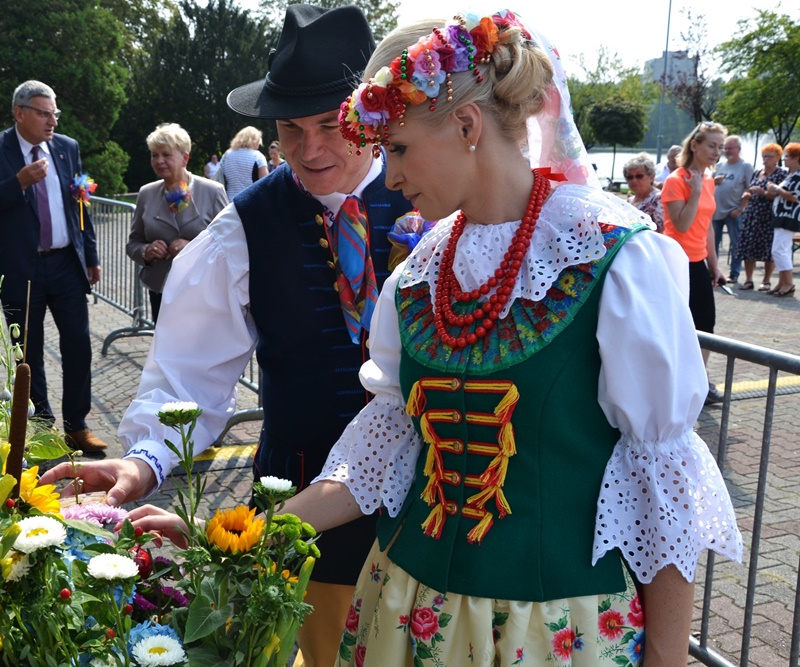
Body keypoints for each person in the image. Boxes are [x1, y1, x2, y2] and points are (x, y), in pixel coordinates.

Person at [127, 12, 743, 666]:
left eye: (396, 148)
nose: (387, 178)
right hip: (410, 617)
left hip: (557, 630)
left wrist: (668, 658)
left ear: (467, 126)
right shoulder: (419, 276)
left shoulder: (615, 260)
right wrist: (235, 536)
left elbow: (663, 488)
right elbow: (375, 462)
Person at [41, 6, 414, 665]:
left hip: (430, 525)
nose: (310, 148)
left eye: (332, 124)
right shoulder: (247, 224)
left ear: (375, 117)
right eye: (290, 129)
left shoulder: (437, 202)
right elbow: (188, 368)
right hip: (296, 521)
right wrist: (144, 458)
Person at [0, 80, 107, 453]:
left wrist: (89, 256)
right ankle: (42, 430)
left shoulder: (66, 149)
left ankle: (77, 425)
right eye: (44, 113)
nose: (52, 122)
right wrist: (18, 183)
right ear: (20, 113)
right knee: (28, 353)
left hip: (65, 264)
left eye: (54, 114)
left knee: (78, 345)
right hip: (18, 267)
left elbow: (81, 204)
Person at [126, 124, 228, 321]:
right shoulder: (147, 193)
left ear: (185, 158)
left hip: (203, 292)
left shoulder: (212, 191)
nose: (159, 161)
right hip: (162, 291)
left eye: (166, 154)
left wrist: (193, 247)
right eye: (154, 155)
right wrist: (146, 251)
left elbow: (230, 244)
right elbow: (133, 243)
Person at [661, 121, 728, 405]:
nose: (716, 152)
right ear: (695, 145)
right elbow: (682, 224)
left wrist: (715, 265)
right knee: (676, 326)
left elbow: (708, 226)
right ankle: (674, 384)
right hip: (675, 263)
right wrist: (696, 190)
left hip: (698, 262)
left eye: (720, 147)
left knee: (705, 324)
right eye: (712, 146)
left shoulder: (708, 178)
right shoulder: (676, 180)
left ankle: (698, 383)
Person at [737, 143, 787, 291]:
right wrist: (747, 194)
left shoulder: (781, 174)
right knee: (748, 246)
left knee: (768, 248)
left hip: (768, 215)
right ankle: (748, 279)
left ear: (777, 158)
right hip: (752, 214)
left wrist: (763, 193)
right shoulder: (757, 172)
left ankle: (766, 280)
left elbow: (781, 195)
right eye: (764, 156)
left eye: (769, 157)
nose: (765, 159)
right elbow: (750, 188)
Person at [712, 135, 752, 283]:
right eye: (725, 148)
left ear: (738, 149)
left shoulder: (745, 166)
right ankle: (714, 271)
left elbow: (750, 189)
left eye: (730, 148)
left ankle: (734, 273)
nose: (726, 151)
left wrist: (741, 208)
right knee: (712, 243)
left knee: (736, 243)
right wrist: (713, 182)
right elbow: (709, 185)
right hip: (716, 211)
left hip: (733, 212)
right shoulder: (720, 165)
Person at [766, 142, 800, 297]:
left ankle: (788, 283)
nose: (785, 159)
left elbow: (794, 197)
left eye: (787, 156)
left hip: (789, 217)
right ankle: (781, 282)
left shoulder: (799, 176)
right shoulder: (790, 175)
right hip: (781, 216)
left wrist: (777, 189)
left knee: (779, 250)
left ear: (796, 158)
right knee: (782, 250)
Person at [219, 126, 269, 198]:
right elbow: (265, 183)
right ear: (255, 141)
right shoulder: (258, 156)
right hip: (250, 201)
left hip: (229, 201)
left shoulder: (226, 155)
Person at [623, 152, 664, 231]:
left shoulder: (658, 199)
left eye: (639, 176)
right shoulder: (629, 201)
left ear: (651, 177)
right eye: (629, 177)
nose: (634, 180)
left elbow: (661, 231)